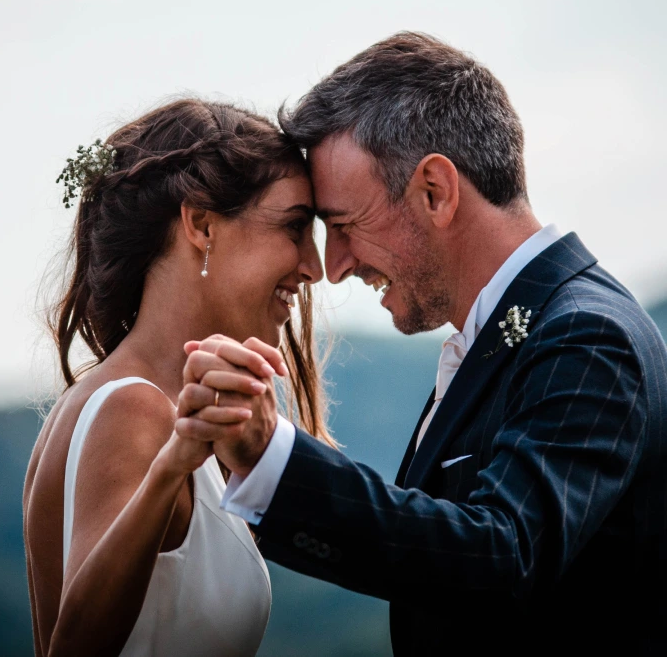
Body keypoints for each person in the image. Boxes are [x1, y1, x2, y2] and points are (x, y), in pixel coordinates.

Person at [180, 33, 667, 656]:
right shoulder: (521, 330)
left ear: (434, 190)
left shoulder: (589, 337)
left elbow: (502, 556)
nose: (335, 266)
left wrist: (273, 456)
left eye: (345, 226)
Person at [23, 97, 330, 657]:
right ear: (201, 224)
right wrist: (170, 469)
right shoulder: (135, 411)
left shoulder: (129, 400)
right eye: (294, 228)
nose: (315, 266)